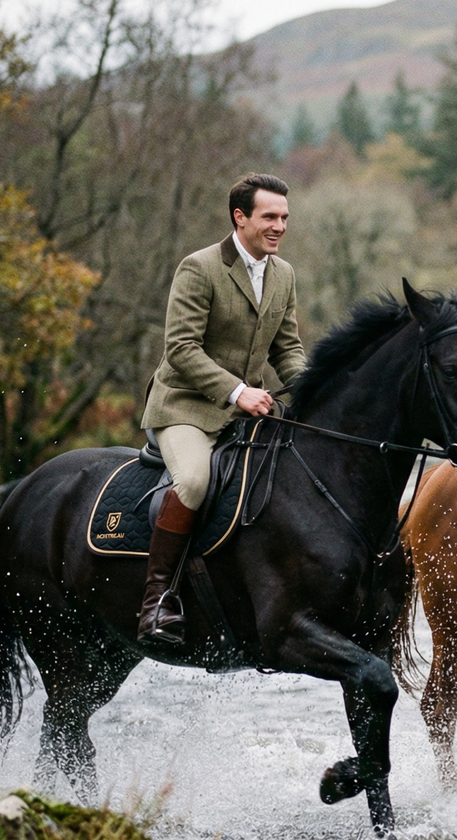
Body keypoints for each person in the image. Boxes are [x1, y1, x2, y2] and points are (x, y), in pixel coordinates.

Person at [137, 173, 306, 644]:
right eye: (269, 217)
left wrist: (315, 390)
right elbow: (182, 349)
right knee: (193, 480)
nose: (279, 226)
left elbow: (287, 349)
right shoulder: (199, 267)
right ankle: (156, 603)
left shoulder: (284, 274)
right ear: (240, 217)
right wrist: (238, 392)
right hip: (185, 408)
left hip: (245, 411)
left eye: (285, 218)